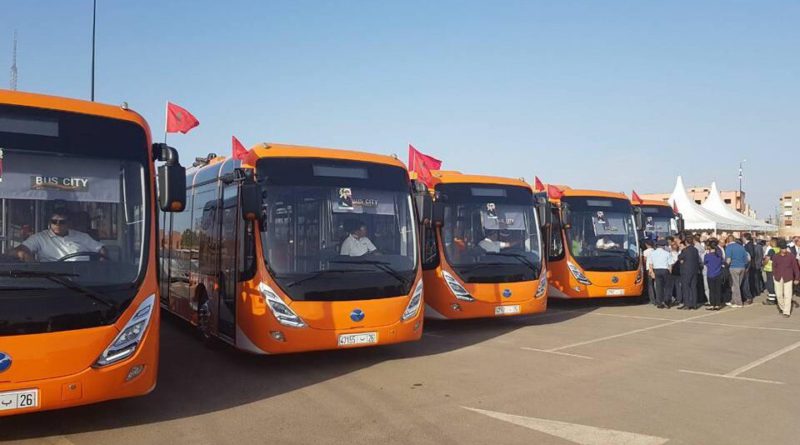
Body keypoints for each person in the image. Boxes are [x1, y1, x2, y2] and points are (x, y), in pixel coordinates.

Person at [16, 209, 106, 262]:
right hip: (53, 278)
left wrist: (102, 264)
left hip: (83, 278)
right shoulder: (40, 237)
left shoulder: (82, 236)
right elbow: (20, 250)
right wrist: (24, 255)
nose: (58, 224)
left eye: (62, 222)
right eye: (54, 222)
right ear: (50, 223)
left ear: (69, 223)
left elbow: (101, 249)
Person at [771, 239, 800, 318]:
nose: (784, 250)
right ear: (780, 248)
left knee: (788, 295)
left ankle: (786, 312)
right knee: (779, 295)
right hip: (778, 277)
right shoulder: (775, 256)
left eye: (785, 248)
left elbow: (795, 268)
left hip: (788, 277)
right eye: (782, 248)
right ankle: (783, 308)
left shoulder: (791, 256)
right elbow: (773, 267)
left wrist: (797, 278)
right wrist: (774, 275)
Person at [648, 239, 674, 309]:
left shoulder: (652, 253)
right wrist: (670, 273)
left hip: (656, 270)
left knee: (659, 287)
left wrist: (652, 272)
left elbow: (650, 264)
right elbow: (670, 265)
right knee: (667, 287)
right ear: (664, 246)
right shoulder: (667, 253)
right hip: (665, 270)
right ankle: (667, 302)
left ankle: (659, 302)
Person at [725, 235, 749, 308]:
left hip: (733, 267)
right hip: (742, 267)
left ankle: (738, 302)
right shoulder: (741, 247)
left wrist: (725, 266)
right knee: (737, 284)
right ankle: (733, 300)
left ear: (728, 240)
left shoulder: (729, 247)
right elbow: (747, 258)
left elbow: (728, 260)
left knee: (735, 285)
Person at [678, 238, 701, 309]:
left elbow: (679, 257)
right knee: (693, 287)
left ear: (686, 243)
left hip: (686, 271)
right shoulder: (695, 250)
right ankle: (694, 304)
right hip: (694, 270)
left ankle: (687, 303)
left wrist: (681, 252)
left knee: (686, 287)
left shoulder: (685, 250)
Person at [704, 239, 725, 310]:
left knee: (711, 290)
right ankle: (718, 304)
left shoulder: (708, 255)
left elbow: (705, 262)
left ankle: (712, 304)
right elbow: (722, 262)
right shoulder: (719, 254)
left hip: (710, 274)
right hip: (718, 273)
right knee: (718, 290)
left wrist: (707, 253)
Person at [762, 238, 779, 305]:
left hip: (770, 269)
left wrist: (763, 263)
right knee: (776, 283)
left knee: (770, 284)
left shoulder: (771, 250)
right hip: (777, 269)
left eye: (770, 242)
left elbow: (767, 260)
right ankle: (776, 297)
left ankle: (771, 299)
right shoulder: (779, 249)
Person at [741, 233, 756, 305]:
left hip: (748, 266)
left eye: (742, 237)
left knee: (746, 282)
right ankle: (748, 296)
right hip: (749, 265)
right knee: (748, 281)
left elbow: (750, 256)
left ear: (745, 238)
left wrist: (747, 266)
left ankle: (748, 297)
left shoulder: (748, 245)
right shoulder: (749, 244)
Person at [642, 240, 656, 305]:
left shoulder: (645, 252)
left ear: (647, 245)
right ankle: (657, 298)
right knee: (656, 284)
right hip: (656, 268)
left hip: (649, 268)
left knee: (650, 284)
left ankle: (652, 299)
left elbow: (644, 260)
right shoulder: (655, 251)